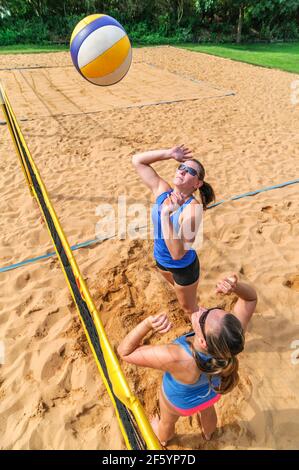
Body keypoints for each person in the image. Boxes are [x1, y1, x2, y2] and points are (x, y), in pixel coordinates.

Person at [117, 274, 257, 446]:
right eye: (211, 309)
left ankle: (163, 439)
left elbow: (125, 352)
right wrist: (236, 288)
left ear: (203, 341)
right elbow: (250, 298)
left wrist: (146, 324)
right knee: (207, 411)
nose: (202, 308)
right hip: (211, 393)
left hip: (179, 403)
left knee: (167, 422)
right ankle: (208, 434)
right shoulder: (231, 337)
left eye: (204, 317)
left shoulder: (177, 357)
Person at [132, 146, 215, 316]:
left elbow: (177, 253)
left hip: (183, 267)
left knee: (188, 308)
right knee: (180, 291)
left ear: (197, 184)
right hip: (161, 260)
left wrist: (165, 214)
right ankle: (193, 302)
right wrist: (169, 154)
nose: (182, 171)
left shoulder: (192, 210)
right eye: (181, 167)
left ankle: (204, 320)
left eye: (190, 170)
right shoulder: (163, 190)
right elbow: (137, 160)